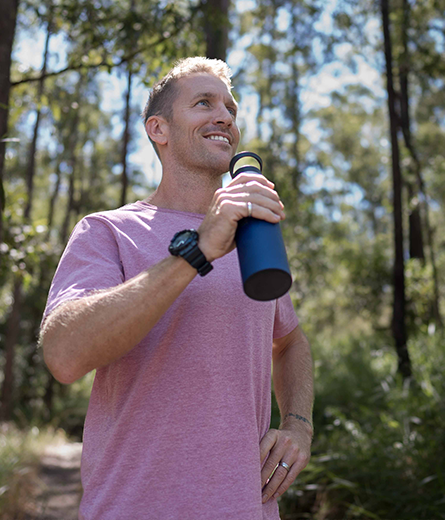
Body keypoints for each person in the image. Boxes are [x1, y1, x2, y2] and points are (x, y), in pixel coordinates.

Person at [40, 57, 314, 520]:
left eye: (230, 107)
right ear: (159, 129)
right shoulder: (108, 231)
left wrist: (298, 425)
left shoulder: (252, 238)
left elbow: (289, 340)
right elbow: (64, 354)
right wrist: (198, 250)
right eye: (203, 103)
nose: (224, 116)